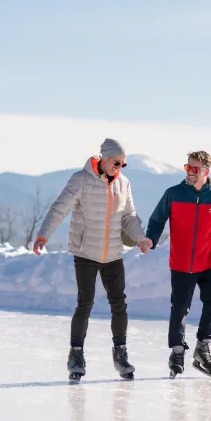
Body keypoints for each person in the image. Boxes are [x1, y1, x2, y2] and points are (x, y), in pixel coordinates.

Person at [33, 138, 147, 380]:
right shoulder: (80, 180)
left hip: (114, 253)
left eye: (124, 164)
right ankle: (76, 354)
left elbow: (129, 217)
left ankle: (120, 353)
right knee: (85, 303)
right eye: (117, 162)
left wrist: (140, 239)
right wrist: (43, 235)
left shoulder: (123, 184)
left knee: (119, 304)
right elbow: (59, 209)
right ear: (104, 158)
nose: (120, 167)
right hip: (86, 252)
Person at [142, 151, 211, 377]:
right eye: (187, 168)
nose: (190, 173)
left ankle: (203, 347)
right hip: (181, 262)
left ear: (206, 172)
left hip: (208, 262)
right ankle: (177, 351)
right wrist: (150, 240)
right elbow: (157, 219)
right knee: (179, 308)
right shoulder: (173, 194)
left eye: (195, 169)